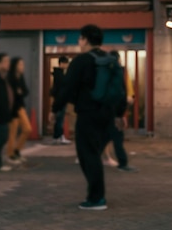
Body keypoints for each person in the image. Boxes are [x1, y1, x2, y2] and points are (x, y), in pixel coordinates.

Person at [53, 24, 128, 211]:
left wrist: (55, 109)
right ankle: (96, 195)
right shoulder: (111, 60)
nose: (79, 42)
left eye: (79, 38)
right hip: (108, 115)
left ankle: (96, 198)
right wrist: (119, 113)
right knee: (94, 153)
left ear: (85, 39)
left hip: (88, 115)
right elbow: (120, 89)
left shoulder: (81, 61)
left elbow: (67, 87)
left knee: (88, 155)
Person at [102, 51, 136, 172]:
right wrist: (120, 114)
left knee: (106, 136)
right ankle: (123, 163)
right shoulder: (117, 71)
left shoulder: (103, 72)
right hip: (114, 112)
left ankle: (89, 156)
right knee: (117, 137)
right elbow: (120, 94)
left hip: (103, 111)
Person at [6, 57, 32, 164]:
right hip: (12, 109)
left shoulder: (20, 77)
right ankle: (11, 154)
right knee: (13, 132)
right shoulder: (10, 78)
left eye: (23, 64)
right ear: (15, 66)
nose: (22, 67)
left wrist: (21, 92)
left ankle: (17, 150)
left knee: (27, 129)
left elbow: (25, 91)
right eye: (20, 64)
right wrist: (18, 92)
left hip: (20, 107)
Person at [50, 56, 71, 145]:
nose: (66, 65)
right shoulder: (59, 74)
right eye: (65, 63)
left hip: (60, 99)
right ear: (61, 63)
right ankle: (59, 136)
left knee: (59, 118)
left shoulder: (59, 73)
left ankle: (58, 136)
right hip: (60, 99)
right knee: (60, 118)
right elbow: (61, 87)